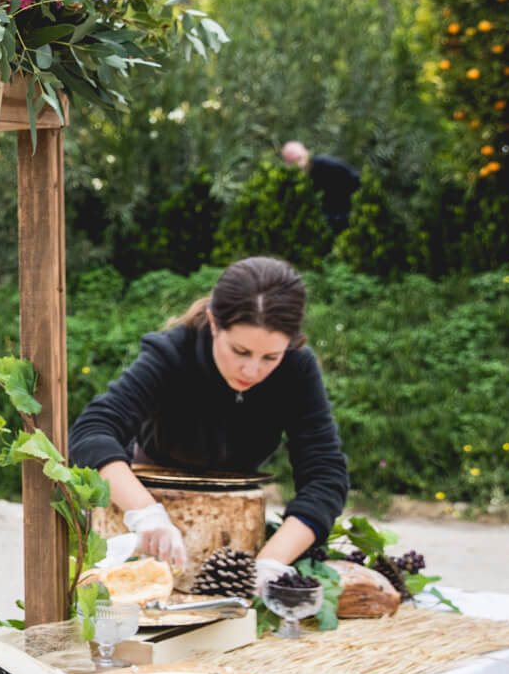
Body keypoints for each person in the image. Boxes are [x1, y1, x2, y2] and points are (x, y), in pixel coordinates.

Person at [68, 256, 350, 588]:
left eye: (270, 357)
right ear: (215, 323)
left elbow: (326, 475)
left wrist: (270, 563)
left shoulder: (297, 369)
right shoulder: (172, 352)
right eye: (241, 351)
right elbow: (92, 430)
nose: (252, 371)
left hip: (238, 522)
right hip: (144, 504)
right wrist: (145, 513)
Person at [281, 141, 361, 232]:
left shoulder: (326, 164)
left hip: (349, 215)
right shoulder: (295, 181)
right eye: (292, 162)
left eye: (299, 158)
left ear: (306, 153)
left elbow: (357, 182)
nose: (299, 165)